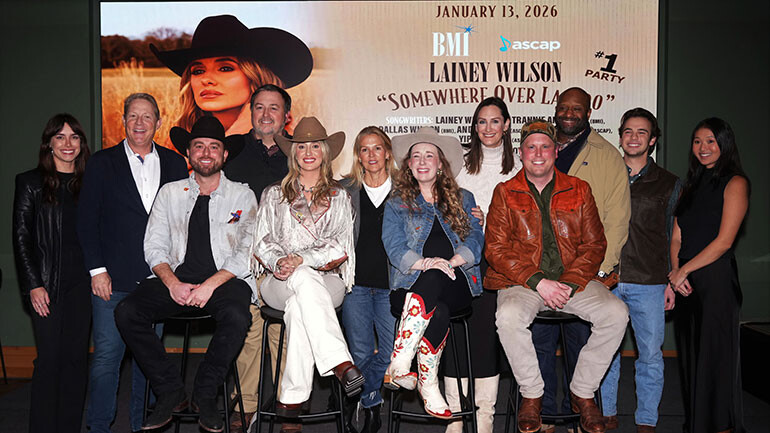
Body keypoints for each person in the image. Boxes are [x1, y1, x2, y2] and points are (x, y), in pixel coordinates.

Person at [115, 115, 255, 432]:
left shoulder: (242, 196)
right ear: (188, 154)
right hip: (175, 281)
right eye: (199, 146)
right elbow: (154, 247)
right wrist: (172, 282)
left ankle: (205, 393)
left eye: (214, 147)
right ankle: (170, 391)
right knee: (127, 310)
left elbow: (246, 251)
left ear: (225, 154)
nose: (206, 152)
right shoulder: (170, 193)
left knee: (237, 314)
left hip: (223, 282)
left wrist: (209, 286)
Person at [488, 120, 628, 433]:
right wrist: (539, 281)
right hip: (524, 282)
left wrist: (567, 282)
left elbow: (595, 244)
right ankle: (532, 395)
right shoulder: (505, 192)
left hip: (573, 281)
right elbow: (495, 249)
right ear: (521, 153)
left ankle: (583, 391)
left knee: (616, 313)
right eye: (531, 147)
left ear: (556, 150)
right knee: (507, 316)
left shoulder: (579, 189)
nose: (538, 153)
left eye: (545, 146)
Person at [77, 93, 188, 433]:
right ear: (122, 121)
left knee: (147, 361)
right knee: (108, 358)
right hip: (112, 280)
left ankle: (144, 426)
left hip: (157, 282)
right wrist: (97, 271)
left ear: (158, 121)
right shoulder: (101, 162)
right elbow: (86, 220)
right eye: (133, 117)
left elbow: (181, 220)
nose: (140, 123)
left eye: (147, 117)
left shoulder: (174, 163)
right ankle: (99, 426)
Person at [252, 116, 362, 433]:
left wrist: (301, 259)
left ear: (325, 152)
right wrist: (281, 263)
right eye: (302, 146)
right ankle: (340, 363)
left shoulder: (339, 196)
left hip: (327, 281)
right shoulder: (273, 194)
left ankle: (291, 402)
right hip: (278, 280)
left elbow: (341, 247)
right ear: (294, 153)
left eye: (316, 145)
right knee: (301, 284)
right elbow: (262, 242)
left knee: (303, 300)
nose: (309, 151)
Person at [530, 87, 631, 430]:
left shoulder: (606, 155)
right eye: (564, 107)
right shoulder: (538, 147)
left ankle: (578, 415)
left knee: (580, 345)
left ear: (589, 112)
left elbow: (618, 217)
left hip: (584, 273)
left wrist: (603, 268)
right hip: (540, 272)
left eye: (577, 108)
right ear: (555, 109)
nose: (569, 113)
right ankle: (543, 414)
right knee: (540, 345)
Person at [382, 127, 484, 419]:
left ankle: (400, 363)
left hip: (458, 282)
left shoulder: (465, 198)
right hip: (409, 286)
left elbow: (476, 240)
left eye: (430, 155)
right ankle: (428, 385)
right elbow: (394, 247)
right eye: (416, 156)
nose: (423, 161)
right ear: (409, 165)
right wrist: (427, 263)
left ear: (441, 164)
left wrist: (448, 262)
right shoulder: (396, 202)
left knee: (437, 275)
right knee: (435, 308)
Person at [597, 108, 681, 432]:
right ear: (620, 137)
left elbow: (675, 233)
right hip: (607, 280)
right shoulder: (606, 177)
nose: (634, 137)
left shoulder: (670, 184)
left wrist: (671, 280)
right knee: (607, 354)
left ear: (653, 140)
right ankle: (606, 413)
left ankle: (647, 419)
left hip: (650, 282)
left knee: (650, 356)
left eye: (642, 132)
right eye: (628, 131)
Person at [444, 96, 522, 433]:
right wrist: (464, 216)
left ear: (506, 125)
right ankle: (456, 417)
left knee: (486, 338)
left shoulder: (519, 166)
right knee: (454, 335)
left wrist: (492, 219)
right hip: (461, 261)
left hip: (499, 264)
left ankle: (484, 416)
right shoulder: (459, 164)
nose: (487, 128)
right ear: (474, 127)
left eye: (494, 121)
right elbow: (443, 208)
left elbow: (527, 221)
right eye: (481, 122)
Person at [12, 113, 91, 433]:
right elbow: (21, 238)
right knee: (49, 361)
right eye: (60, 137)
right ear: (49, 143)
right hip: (45, 285)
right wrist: (33, 284)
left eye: (74, 137)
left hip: (82, 286)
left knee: (75, 362)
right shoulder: (29, 182)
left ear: (81, 144)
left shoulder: (89, 184)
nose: (68, 144)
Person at [669, 118, 748, 433]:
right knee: (690, 357)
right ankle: (697, 423)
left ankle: (720, 425)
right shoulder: (690, 184)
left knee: (714, 358)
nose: (703, 148)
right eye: (697, 141)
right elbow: (676, 236)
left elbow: (725, 241)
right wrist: (675, 271)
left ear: (724, 144)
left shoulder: (736, 183)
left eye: (711, 141)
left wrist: (683, 270)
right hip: (685, 281)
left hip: (714, 280)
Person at [225, 84, 293, 432]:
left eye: (274, 108)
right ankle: (245, 405)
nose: (266, 115)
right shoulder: (232, 151)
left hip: (284, 261)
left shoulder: (300, 154)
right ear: (251, 112)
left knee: (284, 333)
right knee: (248, 332)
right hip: (242, 259)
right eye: (260, 108)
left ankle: (287, 404)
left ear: (286, 116)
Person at [151, 14, 313, 136]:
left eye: (225, 68)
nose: (206, 80)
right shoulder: (178, 149)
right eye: (198, 71)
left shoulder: (292, 149)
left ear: (256, 78)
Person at [340, 126, 397, 433]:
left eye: (377, 148)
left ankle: (358, 395)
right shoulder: (344, 189)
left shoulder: (406, 189)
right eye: (364, 149)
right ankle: (371, 408)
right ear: (358, 155)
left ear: (387, 152)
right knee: (360, 352)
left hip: (392, 285)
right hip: (356, 285)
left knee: (389, 353)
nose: (371, 154)